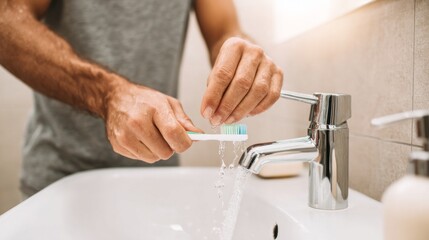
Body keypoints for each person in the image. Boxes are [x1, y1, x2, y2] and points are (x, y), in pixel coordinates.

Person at [0, 0, 283, 197]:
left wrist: (242, 57)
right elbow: (6, 20)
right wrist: (108, 94)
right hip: (61, 180)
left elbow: (225, 30)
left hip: (159, 179)